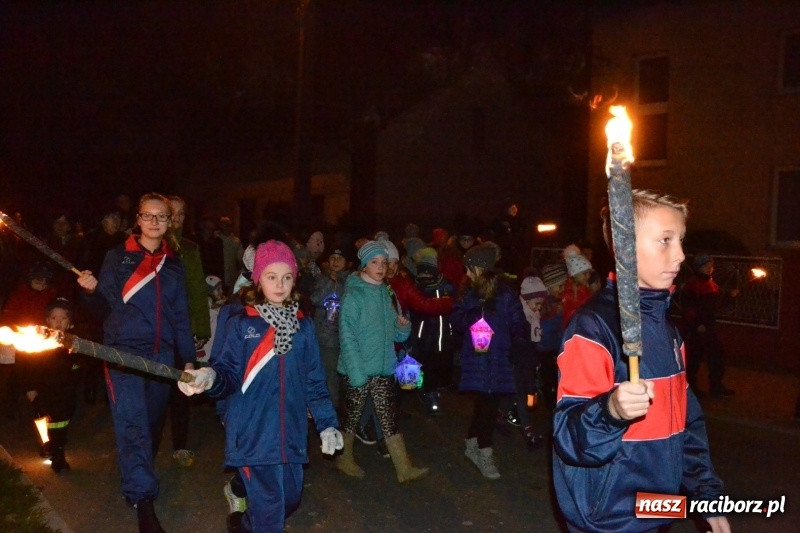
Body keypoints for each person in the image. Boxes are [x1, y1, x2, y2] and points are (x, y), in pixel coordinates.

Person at [553, 190, 730, 533]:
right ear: (624, 248)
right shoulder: (593, 329)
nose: (680, 255)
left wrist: (707, 495)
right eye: (665, 240)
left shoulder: (669, 332)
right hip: (610, 517)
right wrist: (611, 411)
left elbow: (686, 425)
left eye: (680, 240)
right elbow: (570, 439)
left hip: (657, 509)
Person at [177, 240, 342, 533]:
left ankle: (243, 525)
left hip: (291, 432)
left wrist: (327, 423)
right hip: (252, 433)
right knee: (271, 516)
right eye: (271, 277)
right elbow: (226, 372)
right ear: (258, 279)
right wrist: (209, 378)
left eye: (287, 277)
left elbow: (314, 381)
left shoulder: (303, 327)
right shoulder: (242, 323)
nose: (280, 285)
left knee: (289, 499)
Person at [76, 192, 196, 533]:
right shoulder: (118, 257)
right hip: (123, 356)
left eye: (161, 216)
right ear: (138, 220)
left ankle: (138, 473)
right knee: (133, 427)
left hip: (161, 358)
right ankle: (143, 501)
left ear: (170, 222)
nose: (154, 222)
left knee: (152, 426)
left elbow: (180, 316)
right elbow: (103, 310)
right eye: (148, 215)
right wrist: (89, 291)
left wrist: (187, 359)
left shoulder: (174, 264)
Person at [336, 240, 429, 482]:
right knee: (351, 417)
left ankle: (403, 467)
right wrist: (356, 373)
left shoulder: (385, 293)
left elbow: (395, 335)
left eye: (383, 262)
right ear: (364, 266)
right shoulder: (353, 295)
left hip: (383, 368)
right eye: (374, 262)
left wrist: (403, 327)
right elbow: (347, 337)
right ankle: (344, 458)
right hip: (357, 371)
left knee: (388, 417)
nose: (380, 267)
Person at [451, 243, 527, 479]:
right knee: (485, 405)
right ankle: (485, 453)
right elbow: (457, 321)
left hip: (500, 359)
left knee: (487, 405)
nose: (466, 274)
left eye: (469, 269)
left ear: (481, 269)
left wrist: (520, 343)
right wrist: (473, 313)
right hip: (477, 359)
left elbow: (518, 322)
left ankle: (473, 445)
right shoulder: (469, 294)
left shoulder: (505, 294)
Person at [166, 195, 211, 467]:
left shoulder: (189, 248)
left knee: (182, 384)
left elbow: (197, 288)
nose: (177, 218)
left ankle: (180, 444)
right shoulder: (148, 246)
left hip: (181, 327)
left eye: (182, 214)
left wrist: (201, 326)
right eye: (172, 213)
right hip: (154, 329)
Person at [20, 297, 81, 473]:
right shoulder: (37, 340)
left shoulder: (74, 341)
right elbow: (26, 364)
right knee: (45, 420)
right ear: (47, 320)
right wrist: (29, 387)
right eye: (54, 317)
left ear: (69, 321)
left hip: (66, 391)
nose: (58, 322)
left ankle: (57, 449)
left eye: (63, 318)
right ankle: (52, 448)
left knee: (61, 422)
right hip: (43, 390)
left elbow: (81, 364)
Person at [409, 246, 457, 415]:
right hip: (423, 333)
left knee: (439, 364)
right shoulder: (414, 285)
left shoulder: (448, 285)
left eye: (429, 270)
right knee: (424, 362)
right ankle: (428, 392)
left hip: (443, 333)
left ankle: (431, 389)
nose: (426, 275)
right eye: (422, 270)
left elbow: (454, 306)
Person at [681, 254, 736, 397]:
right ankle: (690, 387)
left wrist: (730, 296)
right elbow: (687, 307)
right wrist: (697, 324)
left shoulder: (712, 284)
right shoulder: (693, 284)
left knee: (717, 356)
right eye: (706, 265)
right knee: (695, 357)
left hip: (710, 326)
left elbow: (717, 305)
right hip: (698, 328)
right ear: (699, 267)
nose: (710, 268)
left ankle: (716, 386)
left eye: (711, 265)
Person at [507, 275, 547, 448]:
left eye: (540, 304)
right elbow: (520, 342)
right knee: (522, 394)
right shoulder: (520, 317)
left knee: (528, 393)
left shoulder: (533, 316)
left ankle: (513, 413)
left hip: (528, 361)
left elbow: (535, 340)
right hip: (519, 362)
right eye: (536, 303)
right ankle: (527, 429)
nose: (538, 307)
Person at [310, 247, 353, 408]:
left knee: (343, 376)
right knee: (329, 375)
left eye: (339, 259)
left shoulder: (351, 281)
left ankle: (344, 409)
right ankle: (331, 412)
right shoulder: (323, 279)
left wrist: (340, 283)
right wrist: (330, 282)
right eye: (332, 258)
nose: (335, 262)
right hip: (325, 335)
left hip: (346, 335)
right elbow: (315, 298)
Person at [561, 244, 594, 328]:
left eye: (589, 273)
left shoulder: (585, 290)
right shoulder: (569, 294)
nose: (588, 276)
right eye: (584, 273)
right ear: (575, 274)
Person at [217, 216, 244, 297]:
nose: (226, 227)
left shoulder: (236, 241)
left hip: (231, 276)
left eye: (228, 225)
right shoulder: (215, 239)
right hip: (218, 275)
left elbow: (241, 258)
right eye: (224, 225)